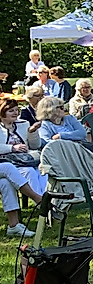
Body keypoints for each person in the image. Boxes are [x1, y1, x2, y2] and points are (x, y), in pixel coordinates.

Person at [0, 99, 46, 238]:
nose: (15, 113)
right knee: (8, 168)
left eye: (16, 110)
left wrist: (32, 132)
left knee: (6, 183)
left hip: (23, 162)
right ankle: (38, 199)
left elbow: (35, 145)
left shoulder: (23, 124)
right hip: (6, 163)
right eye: (11, 110)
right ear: (2, 113)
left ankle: (13, 226)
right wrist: (12, 148)